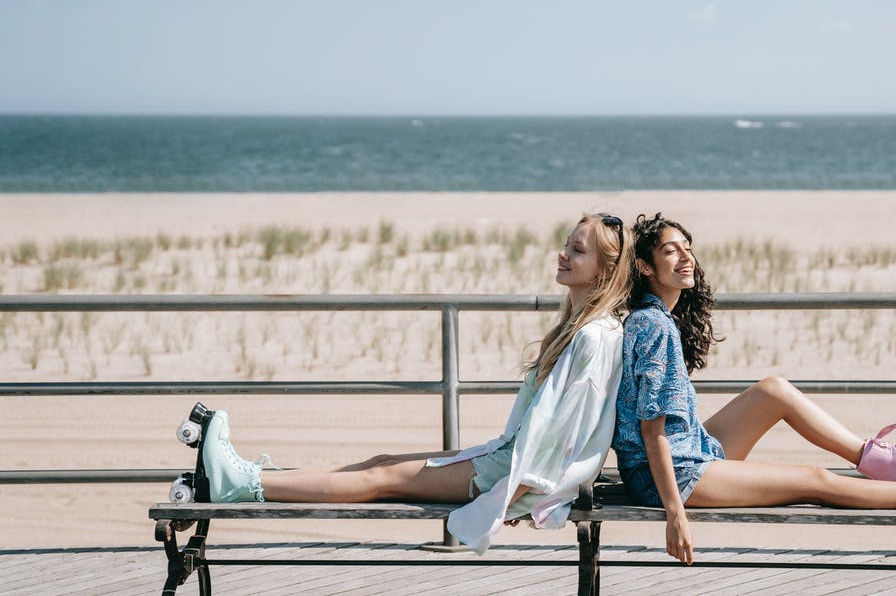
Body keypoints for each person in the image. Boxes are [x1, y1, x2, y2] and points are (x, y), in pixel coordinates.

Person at [196, 213, 632, 553]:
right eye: (566, 244)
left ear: (605, 270)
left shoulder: (595, 336)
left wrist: (510, 497)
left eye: (577, 250)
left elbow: (565, 434)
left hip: (510, 471)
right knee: (381, 460)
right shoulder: (578, 326)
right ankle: (256, 474)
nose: (563, 254)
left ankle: (243, 485)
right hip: (504, 457)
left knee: (384, 476)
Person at [612, 213, 896, 565]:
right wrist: (675, 513)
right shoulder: (652, 325)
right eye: (671, 250)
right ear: (646, 267)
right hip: (671, 475)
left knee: (773, 390)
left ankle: (880, 460)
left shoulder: (657, 319)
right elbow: (653, 431)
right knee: (813, 479)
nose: (687, 258)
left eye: (688, 248)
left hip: (688, 450)